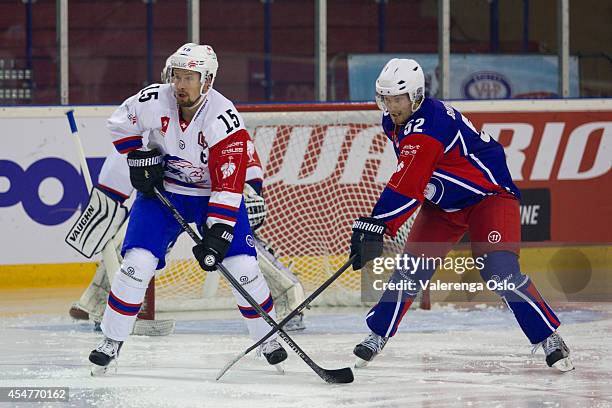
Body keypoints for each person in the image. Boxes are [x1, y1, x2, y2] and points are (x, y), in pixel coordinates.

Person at [348, 58, 573, 372]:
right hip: (444, 205)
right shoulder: (393, 122)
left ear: (414, 96)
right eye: (384, 99)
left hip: (488, 199)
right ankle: (377, 335)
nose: (390, 106)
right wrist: (378, 223)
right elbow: (415, 175)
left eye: (397, 99)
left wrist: (378, 224)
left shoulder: (430, 124)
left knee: (500, 270)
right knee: (410, 270)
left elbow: (409, 182)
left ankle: (549, 337)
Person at [87, 44, 288, 374]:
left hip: (215, 195)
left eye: (189, 78)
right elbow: (120, 123)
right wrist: (138, 156)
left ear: (206, 81)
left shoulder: (224, 119)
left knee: (242, 268)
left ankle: (267, 338)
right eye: (177, 76)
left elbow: (229, 181)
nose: (180, 84)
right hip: (165, 194)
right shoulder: (155, 99)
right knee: (135, 265)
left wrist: (219, 232)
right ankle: (111, 341)